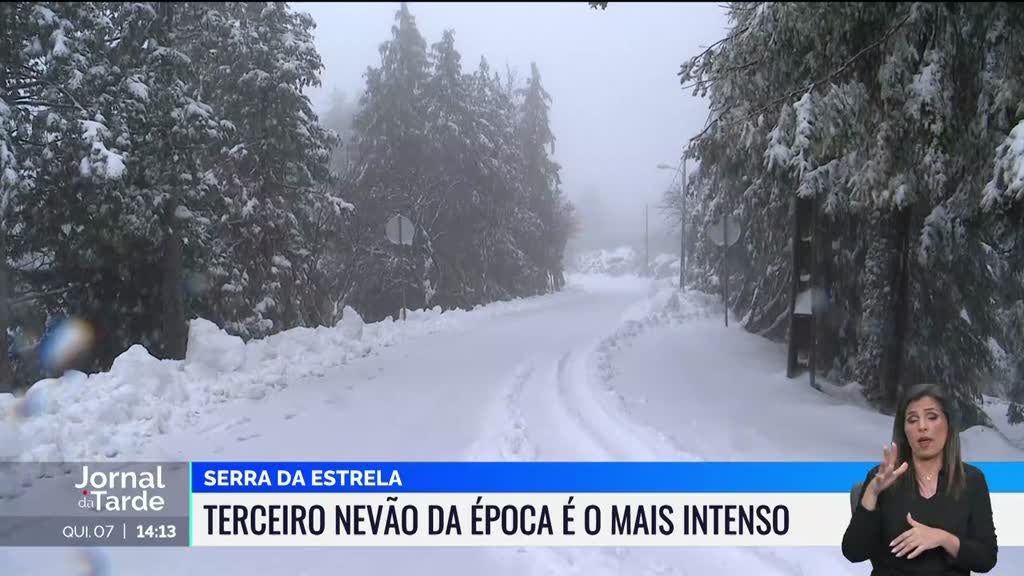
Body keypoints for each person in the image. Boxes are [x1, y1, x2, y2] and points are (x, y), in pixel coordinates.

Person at [842, 383, 997, 574]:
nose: (922, 427)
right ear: (904, 430)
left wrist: (942, 538)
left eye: (932, 417)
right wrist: (872, 493)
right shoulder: (883, 478)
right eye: (912, 420)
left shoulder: (972, 480)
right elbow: (853, 552)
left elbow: (986, 558)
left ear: (948, 424)